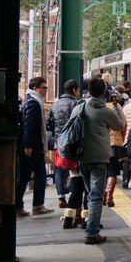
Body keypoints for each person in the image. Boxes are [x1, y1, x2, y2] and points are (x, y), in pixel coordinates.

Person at [80, 76, 125, 244]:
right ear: (104, 92)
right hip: (99, 157)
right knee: (96, 197)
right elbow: (120, 126)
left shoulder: (80, 107)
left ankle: (92, 225)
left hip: (82, 157)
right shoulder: (106, 110)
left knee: (91, 194)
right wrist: (116, 107)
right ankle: (92, 232)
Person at [16, 77, 53, 217]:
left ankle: (18, 206)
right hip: (32, 146)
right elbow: (30, 125)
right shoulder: (34, 103)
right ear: (36, 88)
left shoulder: (29, 101)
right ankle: (37, 205)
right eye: (44, 88)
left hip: (29, 145)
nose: (45, 91)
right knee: (40, 174)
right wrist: (29, 145)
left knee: (24, 176)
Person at [47, 79, 80, 209]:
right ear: (74, 90)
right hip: (72, 142)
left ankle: (61, 197)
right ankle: (73, 192)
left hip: (58, 142)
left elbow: (49, 123)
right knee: (74, 168)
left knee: (59, 169)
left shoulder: (55, 105)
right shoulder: (75, 104)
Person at [103, 88, 127, 207]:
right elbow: (124, 125)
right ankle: (109, 196)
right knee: (112, 170)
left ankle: (102, 195)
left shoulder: (99, 108)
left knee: (102, 170)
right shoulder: (117, 108)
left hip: (101, 144)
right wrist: (121, 139)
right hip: (115, 143)